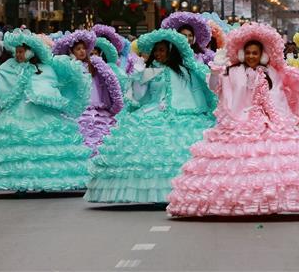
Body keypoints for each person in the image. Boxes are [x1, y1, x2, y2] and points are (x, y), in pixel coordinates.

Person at [167, 22, 299, 216]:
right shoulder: (231, 71)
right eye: (248, 52)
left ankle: (276, 199)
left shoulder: (271, 73)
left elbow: (277, 98)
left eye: (255, 53)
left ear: (262, 55)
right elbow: (214, 86)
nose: (252, 56)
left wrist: (277, 121)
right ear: (242, 54)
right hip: (237, 122)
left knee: (276, 162)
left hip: (267, 121)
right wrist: (217, 68)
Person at [85, 29, 216, 204]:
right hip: (151, 111)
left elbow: (194, 95)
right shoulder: (150, 71)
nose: (158, 54)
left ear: (171, 51)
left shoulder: (184, 72)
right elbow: (138, 96)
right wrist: (138, 78)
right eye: (156, 50)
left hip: (180, 114)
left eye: (162, 50)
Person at [0, 29, 91, 192]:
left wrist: (41, 94)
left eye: (22, 52)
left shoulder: (44, 69)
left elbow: (51, 86)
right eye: (17, 52)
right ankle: (19, 182)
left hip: (40, 112)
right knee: (16, 148)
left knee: (42, 149)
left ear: (30, 52)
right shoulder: (10, 66)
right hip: (16, 112)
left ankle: (43, 181)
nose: (18, 55)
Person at [53, 30, 125, 155]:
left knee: (101, 130)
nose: (82, 51)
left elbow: (107, 83)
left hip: (96, 107)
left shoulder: (95, 65)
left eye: (84, 48)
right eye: (78, 49)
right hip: (77, 109)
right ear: (71, 52)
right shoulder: (69, 67)